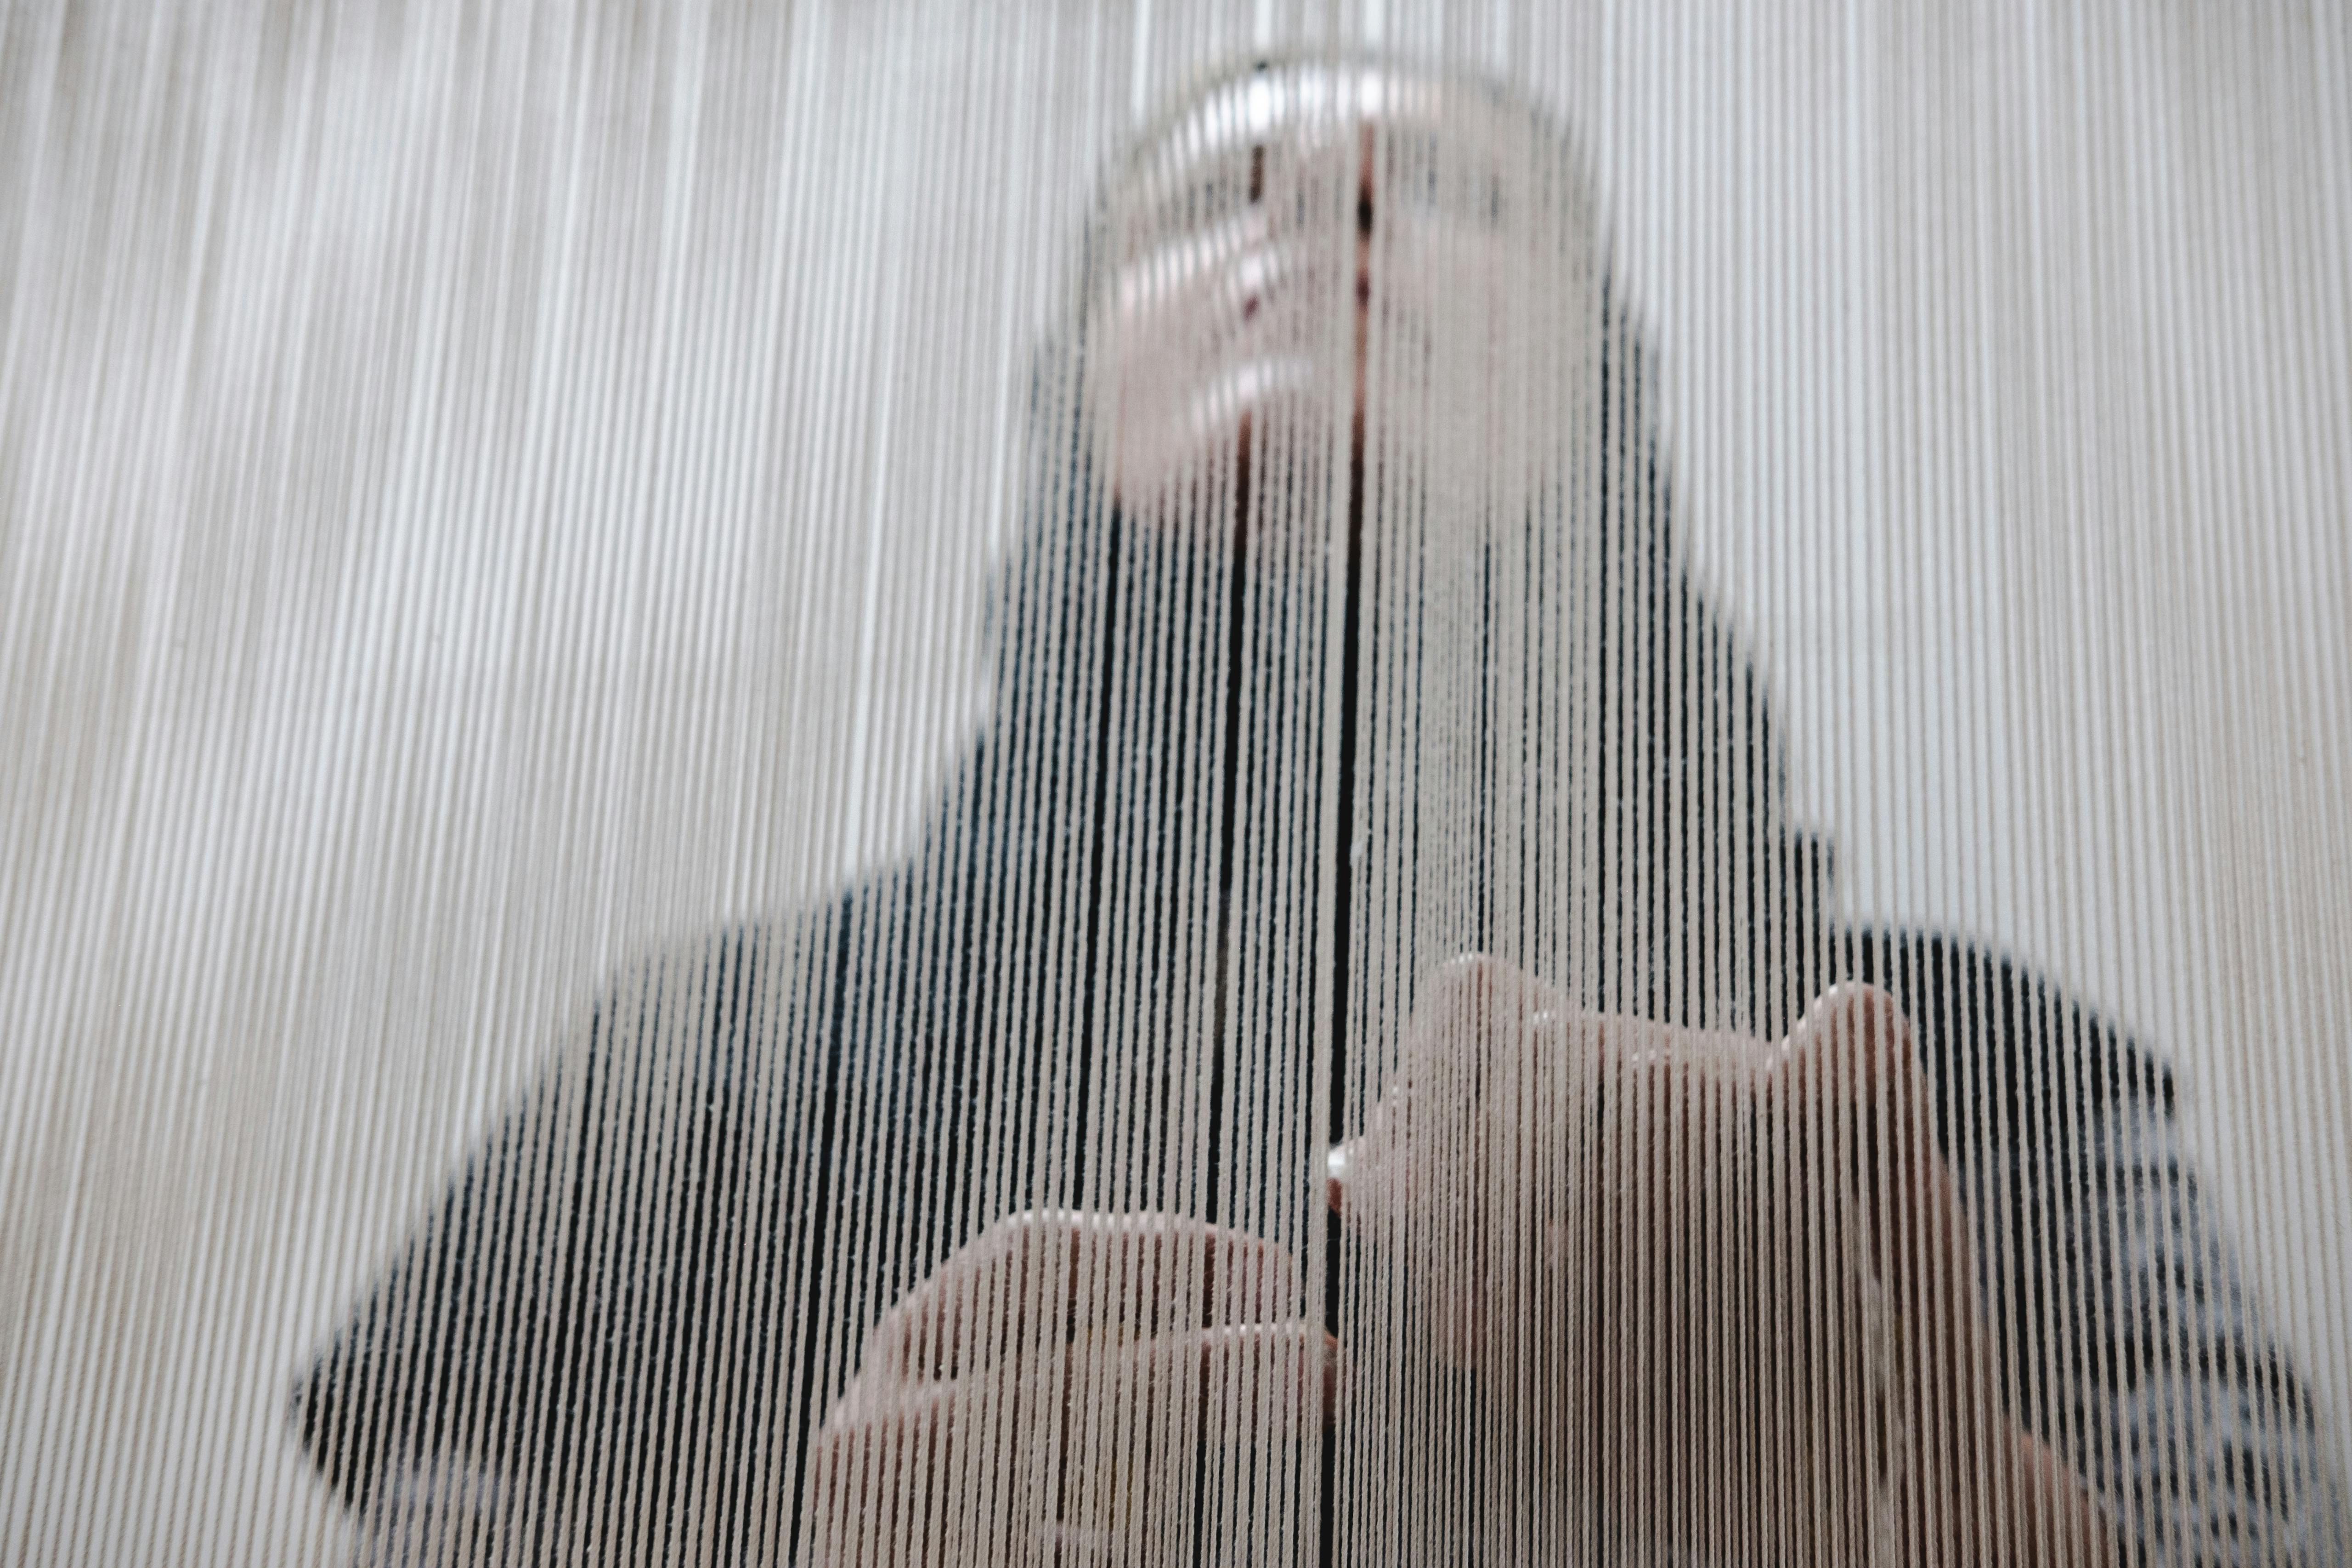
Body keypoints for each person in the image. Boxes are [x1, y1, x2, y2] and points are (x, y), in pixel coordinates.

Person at [294, 57, 2344, 1566]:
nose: (1319, 223)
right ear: (1073, 385)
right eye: (1215, 197)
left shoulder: (1960, 1072)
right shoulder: (706, 1062)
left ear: (1595, 377)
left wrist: (1936, 1527)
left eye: (1437, 186)